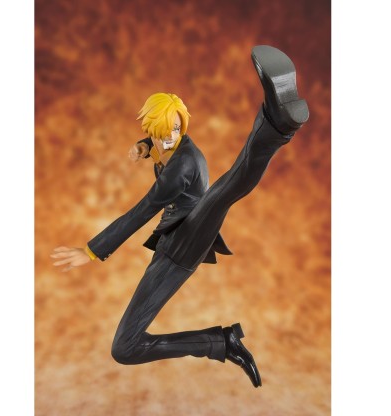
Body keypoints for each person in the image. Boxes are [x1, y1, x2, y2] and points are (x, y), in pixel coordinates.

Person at [51, 45, 309, 389]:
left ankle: (277, 125)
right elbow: (160, 139)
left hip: (189, 235)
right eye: (162, 131)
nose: (169, 136)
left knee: (229, 187)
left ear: (182, 124)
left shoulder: (184, 164)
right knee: (126, 347)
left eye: (174, 129)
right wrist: (145, 146)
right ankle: (221, 342)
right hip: (173, 242)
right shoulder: (168, 144)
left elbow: (141, 211)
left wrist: (92, 251)